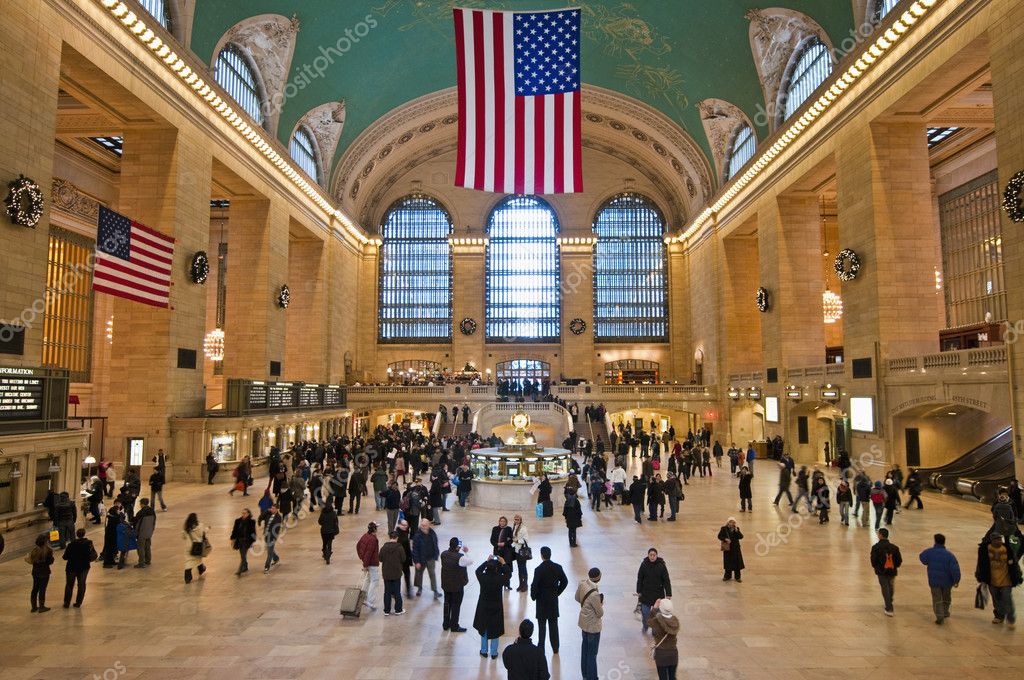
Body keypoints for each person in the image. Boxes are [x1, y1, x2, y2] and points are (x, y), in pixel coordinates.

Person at [976, 531, 1022, 628]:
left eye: (1000, 539)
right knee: (996, 599)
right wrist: (980, 577)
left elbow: (1014, 564)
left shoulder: (1007, 549)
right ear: (992, 541)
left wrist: (1018, 575)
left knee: (1007, 599)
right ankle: (999, 615)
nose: (999, 541)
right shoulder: (984, 550)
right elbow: (980, 565)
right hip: (992, 580)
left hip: (1006, 580)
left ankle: (1010, 619)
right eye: (997, 539)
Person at [531, 545, 568, 654]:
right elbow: (565, 581)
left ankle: (541, 648)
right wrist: (557, 592)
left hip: (541, 601)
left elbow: (534, 585)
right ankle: (555, 648)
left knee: (541, 626)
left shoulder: (538, 569)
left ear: (542, 556)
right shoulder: (558, 567)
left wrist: (534, 596)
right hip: (552, 599)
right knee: (553, 625)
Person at [919, 533, 961, 624]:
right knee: (946, 597)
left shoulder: (929, 552)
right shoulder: (950, 555)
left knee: (937, 598)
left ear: (935, 541)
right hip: (947, 582)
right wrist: (956, 580)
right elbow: (955, 569)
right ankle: (945, 612)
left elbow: (922, 558)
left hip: (934, 581)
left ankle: (939, 616)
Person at [474, 556, 511, 659]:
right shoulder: (500, 578)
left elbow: (477, 570)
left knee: (484, 628)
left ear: (487, 568)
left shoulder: (483, 577)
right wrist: (503, 563)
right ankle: (494, 652)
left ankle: (484, 650)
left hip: (484, 606)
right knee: (495, 628)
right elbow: (509, 574)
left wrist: (486, 561)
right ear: (496, 569)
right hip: (496, 607)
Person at [576, 567, 604, 680]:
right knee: (592, 654)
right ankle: (592, 677)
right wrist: (601, 602)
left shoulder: (582, 584)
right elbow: (600, 613)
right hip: (593, 627)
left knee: (585, 651)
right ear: (598, 578)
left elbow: (577, 598)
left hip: (584, 623)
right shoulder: (594, 594)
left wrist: (586, 606)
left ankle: (585, 675)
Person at [636, 547, 673, 634]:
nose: (652, 557)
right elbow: (640, 578)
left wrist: (668, 593)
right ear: (648, 555)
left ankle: (654, 630)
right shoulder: (644, 564)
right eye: (650, 555)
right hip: (646, 594)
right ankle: (645, 626)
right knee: (645, 614)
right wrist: (639, 591)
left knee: (657, 615)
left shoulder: (662, 565)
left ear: (656, 556)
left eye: (654, 555)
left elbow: (666, 580)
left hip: (658, 595)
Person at [440, 536, 472, 631]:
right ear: (458, 547)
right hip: (457, 586)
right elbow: (470, 561)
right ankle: (454, 625)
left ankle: (446, 624)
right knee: (456, 605)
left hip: (446, 585)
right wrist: (466, 552)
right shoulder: (460, 558)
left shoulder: (443, 554)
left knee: (447, 604)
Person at [870, 527, 903, 616]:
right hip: (892, 570)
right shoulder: (894, 547)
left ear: (880, 535)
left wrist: (876, 567)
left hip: (881, 571)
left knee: (885, 588)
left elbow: (873, 560)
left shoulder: (876, 547)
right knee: (890, 586)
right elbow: (899, 560)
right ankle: (889, 600)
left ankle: (889, 608)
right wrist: (894, 566)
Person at [62, 527, 96, 608]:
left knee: (69, 585)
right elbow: (93, 554)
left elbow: (65, 557)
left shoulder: (71, 545)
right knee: (81, 584)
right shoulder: (89, 543)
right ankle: (78, 602)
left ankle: (67, 603)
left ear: (76, 535)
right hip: (84, 567)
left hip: (71, 567)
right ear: (84, 534)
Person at [649, 598, 680, 680]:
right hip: (673, 654)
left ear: (660, 608)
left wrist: (654, 609)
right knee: (672, 677)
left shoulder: (657, 621)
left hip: (661, 654)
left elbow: (649, 622)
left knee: (663, 678)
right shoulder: (675, 621)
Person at [412, 518, 443, 598]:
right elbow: (415, 550)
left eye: (425, 525)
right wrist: (417, 562)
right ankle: (419, 588)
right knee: (419, 574)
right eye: (422, 525)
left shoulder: (432, 533)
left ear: (428, 525)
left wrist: (436, 554)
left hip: (431, 558)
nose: (423, 527)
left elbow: (435, 544)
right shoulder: (417, 536)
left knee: (432, 574)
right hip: (421, 559)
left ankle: (435, 591)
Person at [378, 530, 407, 616]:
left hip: (386, 573)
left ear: (390, 537)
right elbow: (403, 559)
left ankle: (386, 610)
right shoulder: (400, 548)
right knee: (397, 592)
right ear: (397, 538)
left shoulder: (384, 548)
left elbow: (380, 559)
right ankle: (398, 610)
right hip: (396, 573)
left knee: (387, 592)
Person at [356, 522, 381, 612]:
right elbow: (369, 553)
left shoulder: (365, 535)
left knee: (367, 580)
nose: (377, 529)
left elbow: (358, 546)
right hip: (372, 564)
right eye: (376, 527)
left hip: (367, 562)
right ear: (374, 529)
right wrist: (365, 565)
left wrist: (361, 558)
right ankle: (370, 601)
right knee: (375, 581)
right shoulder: (372, 540)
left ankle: (363, 598)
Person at [26, 534, 54, 612]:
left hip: (35, 572)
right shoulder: (48, 550)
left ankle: (34, 607)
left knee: (35, 588)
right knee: (42, 589)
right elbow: (50, 561)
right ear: (45, 542)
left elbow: (32, 561)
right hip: (44, 572)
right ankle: (42, 607)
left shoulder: (34, 550)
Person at [183, 513, 209, 584]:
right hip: (198, 546)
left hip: (189, 547)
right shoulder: (200, 525)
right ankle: (201, 569)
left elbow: (183, 536)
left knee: (189, 562)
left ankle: (187, 578)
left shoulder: (186, 527)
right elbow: (203, 533)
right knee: (198, 559)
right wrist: (208, 528)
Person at [229, 508, 256, 576]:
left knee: (243, 555)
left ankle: (240, 570)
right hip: (239, 541)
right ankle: (245, 566)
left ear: (248, 514)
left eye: (245, 513)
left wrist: (253, 540)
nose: (243, 514)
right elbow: (234, 531)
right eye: (242, 513)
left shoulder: (251, 522)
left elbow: (253, 532)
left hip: (246, 541)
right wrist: (232, 539)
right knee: (242, 555)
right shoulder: (238, 521)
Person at [718, 517, 745, 582]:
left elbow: (741, 537)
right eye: (731, 522)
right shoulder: (724, 529)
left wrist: (737, 531)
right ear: (728, 522)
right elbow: (719, 536)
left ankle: (737, 577)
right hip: (728, 548)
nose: (732, 523)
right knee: (728, 562)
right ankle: (727, 576)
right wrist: (725, 539)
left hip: (736, 549)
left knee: (737, 563)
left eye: (733, 522)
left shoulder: (736, 529)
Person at [259, 504, 283, 574]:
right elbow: (261, 517)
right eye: (271, 508)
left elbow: (277, 529)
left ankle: (266, 567)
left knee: (269, 552)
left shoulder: (278, 517)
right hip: (266, 535)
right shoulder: (268, 514)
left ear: (277, 509)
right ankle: (276, 558)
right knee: (270, 549)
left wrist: (274, 538)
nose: (272, 509)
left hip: (272, 537)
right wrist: (267, 511)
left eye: (273, 509)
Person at [132, 498, 156, 568]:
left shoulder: (141, 512)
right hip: (149, 532)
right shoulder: (152, 511)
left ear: (142, 504)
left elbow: (136, 522)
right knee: (147, 546)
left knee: (140, 548)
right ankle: (148, 560)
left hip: (141, 532)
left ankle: (141, 563)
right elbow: (154, 522)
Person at [510, 514, 531, 592]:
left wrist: (517, 541)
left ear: (521, 520)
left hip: (522, 551)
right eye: (515, 519)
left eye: (517, 519)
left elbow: (526, 540)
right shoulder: (515, 527)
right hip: (516, 551)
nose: (516, 521)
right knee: (519, 569)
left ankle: (525, 585)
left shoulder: (523, 528)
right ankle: (520, 585)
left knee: (523, 568)